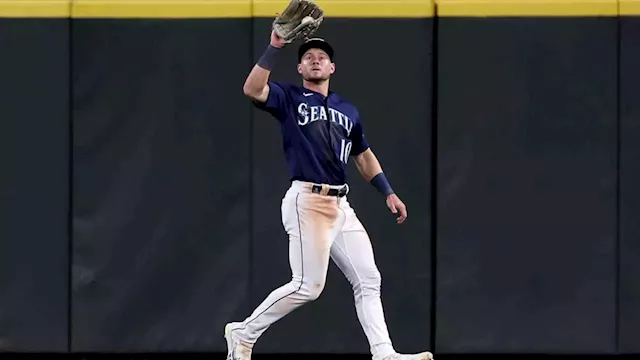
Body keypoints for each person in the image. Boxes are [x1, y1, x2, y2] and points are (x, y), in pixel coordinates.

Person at [224, 29, 434, 360]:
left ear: (332, 68)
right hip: (307, 200)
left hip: (340, 205)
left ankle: (383, 353)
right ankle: (243, 332)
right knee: (308, 286)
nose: (316, 59)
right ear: (300, 69)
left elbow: (363, 155)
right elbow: (252, 88)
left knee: (368, 278)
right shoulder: (289, 98)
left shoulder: (347, 110)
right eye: (308, 57)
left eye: (322, 57)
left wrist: (387, 192)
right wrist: (275, 46)